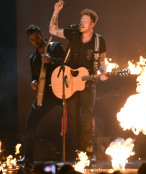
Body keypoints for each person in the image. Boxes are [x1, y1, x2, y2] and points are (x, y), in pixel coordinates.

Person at [49, 1, 108, 159]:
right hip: (70, 82)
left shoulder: (99, 41)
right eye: (80, 20)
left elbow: (102, 61)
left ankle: (86, 148)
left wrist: (104, 73)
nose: (81, 23)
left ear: (92, 24)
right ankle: (81, 149)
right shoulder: (73, 33)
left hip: (88, 83)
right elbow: (53, 30)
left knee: (87, 114)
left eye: (85, 21)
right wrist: (56, 12)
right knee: (74, 117)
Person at [18, 25, 65, 163]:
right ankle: (28, 156)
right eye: (32, 40)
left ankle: (65, 156)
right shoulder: (33, 58)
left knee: (58, 124)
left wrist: (52, 60)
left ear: (42, 35)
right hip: (42, 95)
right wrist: (33, 83)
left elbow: (67, 63)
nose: (35, 41)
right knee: (31, 122)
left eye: (37, 38)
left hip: (58, 93)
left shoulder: (56, 47)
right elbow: (34, 76)